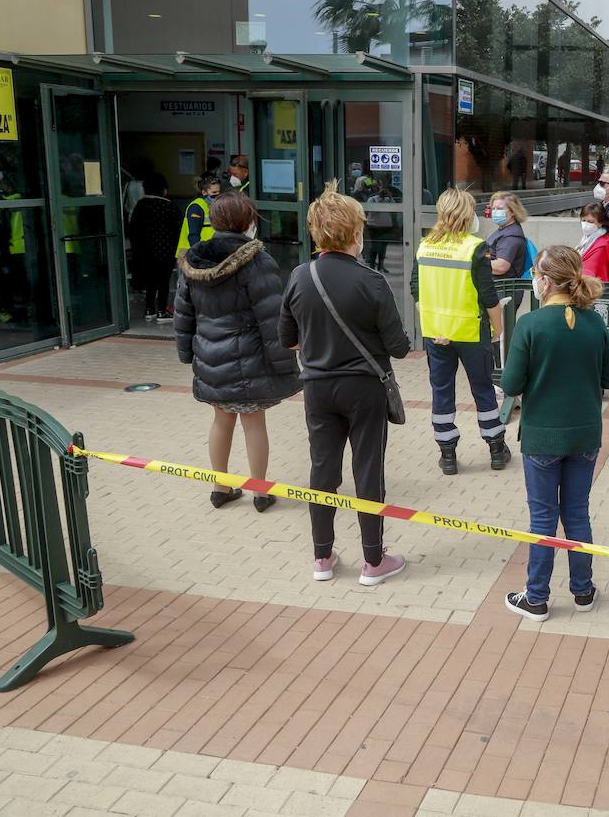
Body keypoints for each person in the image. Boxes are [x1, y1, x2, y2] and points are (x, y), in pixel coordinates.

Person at [279, 184, 411, 585]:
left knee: (323, 469)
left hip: (317, 386)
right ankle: (374, 561)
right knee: (368, 469)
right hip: (364, 388)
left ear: (316, 233)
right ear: (356, 233)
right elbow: (399, 348)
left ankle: (322, 557)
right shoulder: (372, 282)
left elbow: (287, 338)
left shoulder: (300, 276)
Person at [501, 246, 609, 621]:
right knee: (577, 513)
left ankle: (536, 598)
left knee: (542, 519)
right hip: (585, 433)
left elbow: (510, 382)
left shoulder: (530, 324)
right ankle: (583, 590)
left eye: (536, 273)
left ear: (546, 281)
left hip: (542, 435)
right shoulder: (594, 322)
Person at [174, 192, 300, 513]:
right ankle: (259, 492)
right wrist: (286, 365)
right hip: (249, 360)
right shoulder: (257, 261)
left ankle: (220, 488)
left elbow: (183, 315)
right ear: (248, 221)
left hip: (210, 360)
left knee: (221, 420)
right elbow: (272, 321)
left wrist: (188, 355)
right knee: (254, 422)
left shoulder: (193, 260)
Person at [410, 188, 509, 474]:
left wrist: (434, 319)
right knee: (483, 390)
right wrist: (498, 328)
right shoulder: (474, 247)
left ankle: (448, 455)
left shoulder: (424, 246)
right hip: (470, 331)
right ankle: (496, 449)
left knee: (442, 392)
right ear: (467, 215)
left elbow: (416, 288)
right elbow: (488, 295)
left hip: (435, 333)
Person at [127, 173, 181, 322]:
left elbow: (132, 229)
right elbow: (178, 230)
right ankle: (162, 311)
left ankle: (149, 309)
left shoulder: (141, 206)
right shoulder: (171, 208)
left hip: (144, 252)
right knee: (163, 281)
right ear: (164, 190)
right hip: (166, 251)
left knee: (150, 281)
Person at [485, 190, 530, 286]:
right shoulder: (504, 230)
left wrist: (477, 263)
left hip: (504, 290)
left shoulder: (511, 237)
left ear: (512, 211)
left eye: (500, 208)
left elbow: (501, 266)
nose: (496, 212)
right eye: (494, 209)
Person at [176, 173, 222, 257]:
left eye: (219, 192)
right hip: (192, 255)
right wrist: (199, 255)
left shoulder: (215, 206)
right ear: (204, 192)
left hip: (208, 253)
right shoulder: (196, 207)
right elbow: (193, 235)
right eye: (214, 192)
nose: (217, 195)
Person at [577, 201, 609, 282]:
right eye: (583, 220)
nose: (585, 224)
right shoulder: (588, 238)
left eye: (590, 222)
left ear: (601, 223)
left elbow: (588, 273)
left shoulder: (601, 246)